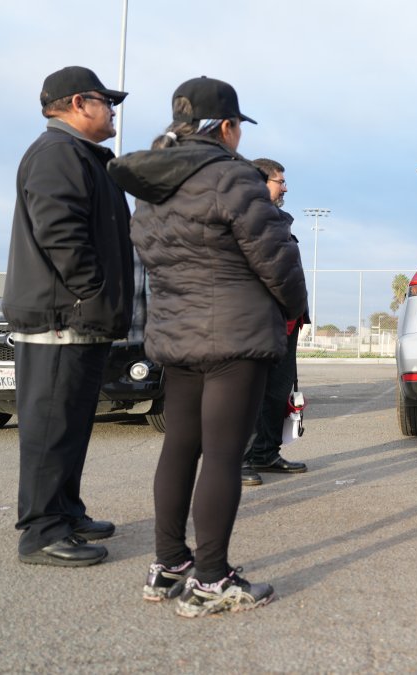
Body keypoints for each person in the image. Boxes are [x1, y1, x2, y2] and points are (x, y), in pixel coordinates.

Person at [108, 76, 308, 617]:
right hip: (234, 335)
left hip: (177, 333)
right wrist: (292, 309)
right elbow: (277, 259)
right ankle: (211, 579)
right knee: (222, 454)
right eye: (239, 125)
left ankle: (169, 563)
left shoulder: (151, 187)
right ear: (225, 126)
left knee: (180, 446)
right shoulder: (231, 178)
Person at [4, 66, 133, 567]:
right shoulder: (58, 153)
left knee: (72, 423)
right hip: (62, 316)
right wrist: (91, 292)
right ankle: (40, 531)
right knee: (51, 426)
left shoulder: (79, 155)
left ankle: (66, 511)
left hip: (77, 315)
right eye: (107, 101)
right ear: (79, 103)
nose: (113, 110)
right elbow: (60, 231)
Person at [241, 158, 310, 487]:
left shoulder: (279, 222)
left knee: (276, 394)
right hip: (259, 324)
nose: (285, 187)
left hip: (287, 325)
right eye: (279, 181)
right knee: (248, 395)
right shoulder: (246, 221)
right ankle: (239, 461)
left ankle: (266, 453)